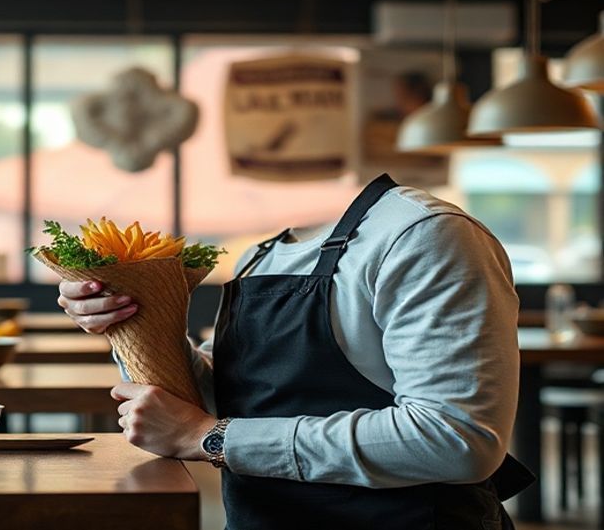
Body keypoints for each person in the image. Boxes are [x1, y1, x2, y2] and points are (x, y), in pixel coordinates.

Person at [57, 174, 533, 529]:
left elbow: (456, 440)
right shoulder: (261, 252)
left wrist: (210, 438)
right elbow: (229, 398)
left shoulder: (424, 235)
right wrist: (131, 318)